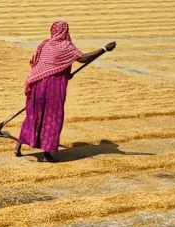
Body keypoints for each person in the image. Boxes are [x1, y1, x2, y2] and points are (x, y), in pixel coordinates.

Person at [16, 23, 116, 162]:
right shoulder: (66, 46)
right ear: (66, 31)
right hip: (54, 86)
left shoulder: (45, 44)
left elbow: (45, 64)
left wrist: (66, 74)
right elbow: (82, 59)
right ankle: (47, 154)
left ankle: (18, 146)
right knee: (52, 117)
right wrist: (104, 49)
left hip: (37, 84)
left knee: (33, 115)